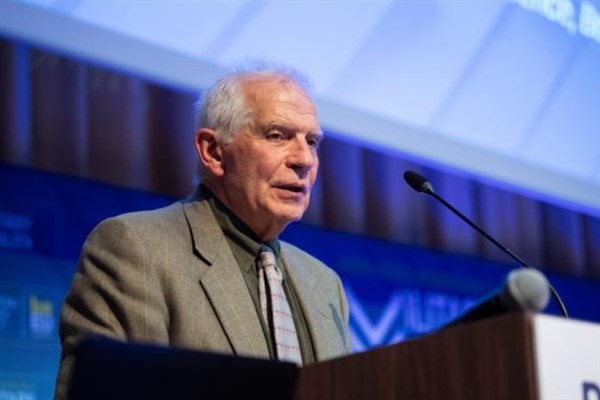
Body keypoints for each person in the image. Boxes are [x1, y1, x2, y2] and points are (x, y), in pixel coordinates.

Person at [54, 67, 352, 399]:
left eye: (312, 142)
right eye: (277, 135)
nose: (304, 159)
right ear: (212, 151)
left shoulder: (324, 284)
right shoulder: (135, 249)